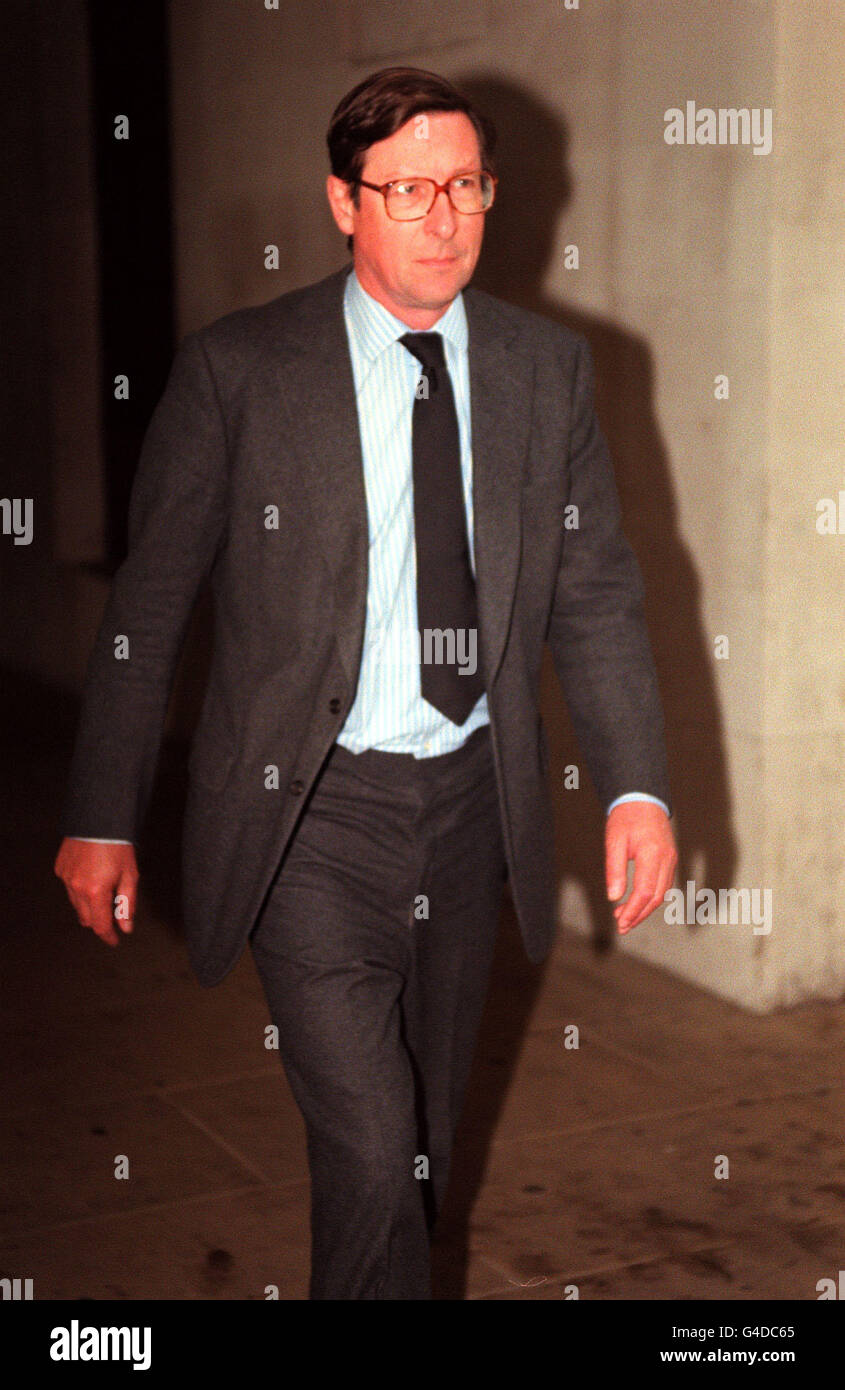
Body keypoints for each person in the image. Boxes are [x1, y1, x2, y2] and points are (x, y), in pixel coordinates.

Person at [54, 66, 677, 1299]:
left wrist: (634, 790)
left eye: (464, 186)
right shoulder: (239, 372)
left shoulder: (542, 372)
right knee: (375, 1154)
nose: (442, 217)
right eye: (406, 190)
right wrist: (100, 806)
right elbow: (152, 605)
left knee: (423, 1151)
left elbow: (594, 590)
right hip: (310, 817)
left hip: (466, 815)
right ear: (343, 202)